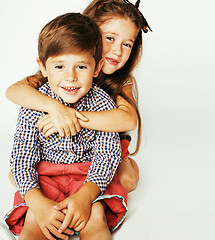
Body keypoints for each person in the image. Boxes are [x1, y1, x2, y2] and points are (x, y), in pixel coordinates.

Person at [6, 0, 151, 193]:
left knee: (127, 180)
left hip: (102, 147)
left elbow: (129, 119)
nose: (117, 50)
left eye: (127, 44)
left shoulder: (123, 81)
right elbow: (13, 91)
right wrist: (55, 108)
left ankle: (103, 174)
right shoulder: (64, 70)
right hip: (60, 148)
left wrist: (72, 117)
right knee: (16, 177)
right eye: (109, 38)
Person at [5, 12, 128, 240]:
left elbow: (106, 155)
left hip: (87, 176)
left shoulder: (102, 102)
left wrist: (85, 196)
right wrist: (38, 203)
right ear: (43, 67)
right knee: (34, 218)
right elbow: (22, 158)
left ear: (97, 67)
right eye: (59, 66)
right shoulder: (34, 102)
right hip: (46, 177)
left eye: (81, 67)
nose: (70, 77)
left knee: (95, 214)